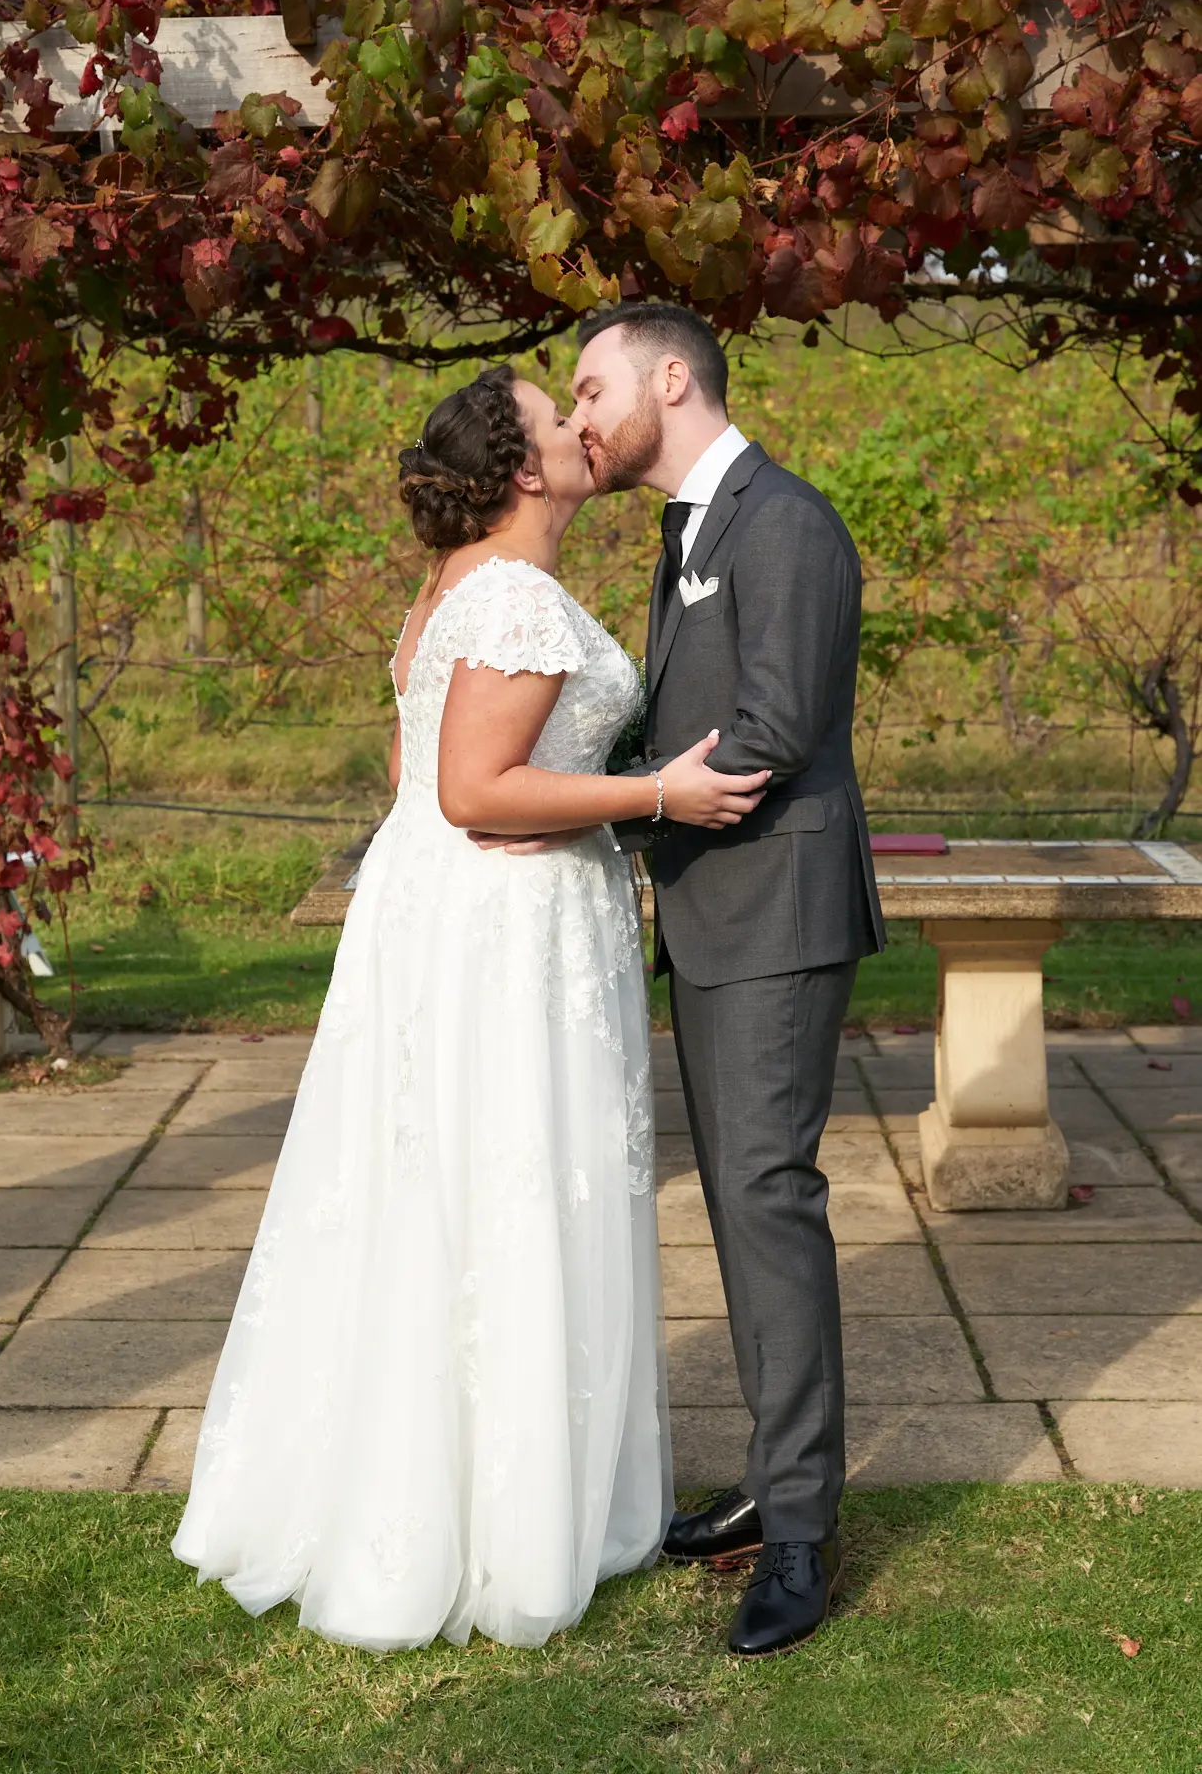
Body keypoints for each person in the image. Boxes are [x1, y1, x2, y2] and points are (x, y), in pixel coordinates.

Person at [172, 363, 769, 1652]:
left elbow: (407, 770)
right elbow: (471, 792)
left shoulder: (451, 592)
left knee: (437, 1193)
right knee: (507, 1188)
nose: (581, 426)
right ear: (520, 470)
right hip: (505, 932)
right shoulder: (511, 594)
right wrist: (654, 795)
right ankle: (501, 1521)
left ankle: (438, 1491)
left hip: (445, 921)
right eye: (561, 419)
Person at [569, 302, 886, 1658]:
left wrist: (604, 809)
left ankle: (804, 1535)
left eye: (591, 389)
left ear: (673, 378)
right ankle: (773, 1479)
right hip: (712, 918)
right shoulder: (687, 529)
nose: (580, 416)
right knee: (746, 1207)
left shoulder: (788, 523)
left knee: (768, 1201)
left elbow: (770, 729)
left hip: (776, 916)